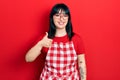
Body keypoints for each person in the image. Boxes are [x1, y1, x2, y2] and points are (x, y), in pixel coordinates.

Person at [25, 3, 87, 80]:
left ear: (68, 19)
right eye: (57, 15)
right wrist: (40, 44)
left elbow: (81, 63)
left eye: (65, 16)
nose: (61, 19)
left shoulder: (76, 39)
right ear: (52, 18)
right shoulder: (45, 38)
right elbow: (28, 59)